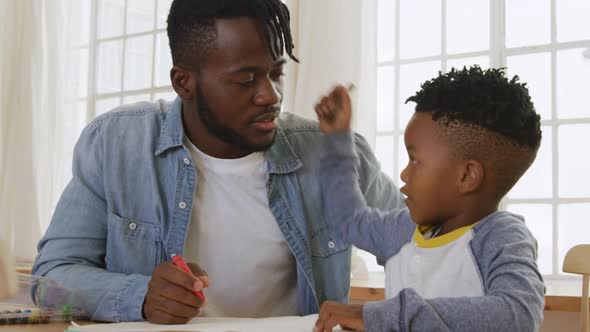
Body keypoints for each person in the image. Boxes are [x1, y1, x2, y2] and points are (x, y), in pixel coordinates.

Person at [31, 0, 403, 324]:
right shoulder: (115, 145)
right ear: (184, 83)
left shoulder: (333, 153)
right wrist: (139, 296)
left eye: (276, 73)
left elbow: (429, 248)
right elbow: (49, 282)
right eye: (246, 79)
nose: (270, 95)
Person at [312, 66, 545, 332]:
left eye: (415, 160)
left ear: (467, 176)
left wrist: (381, 316)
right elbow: (347, 220)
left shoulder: (502, 238)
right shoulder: (402, 230)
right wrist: (337, 139)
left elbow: (518, 315)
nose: (404, 173)